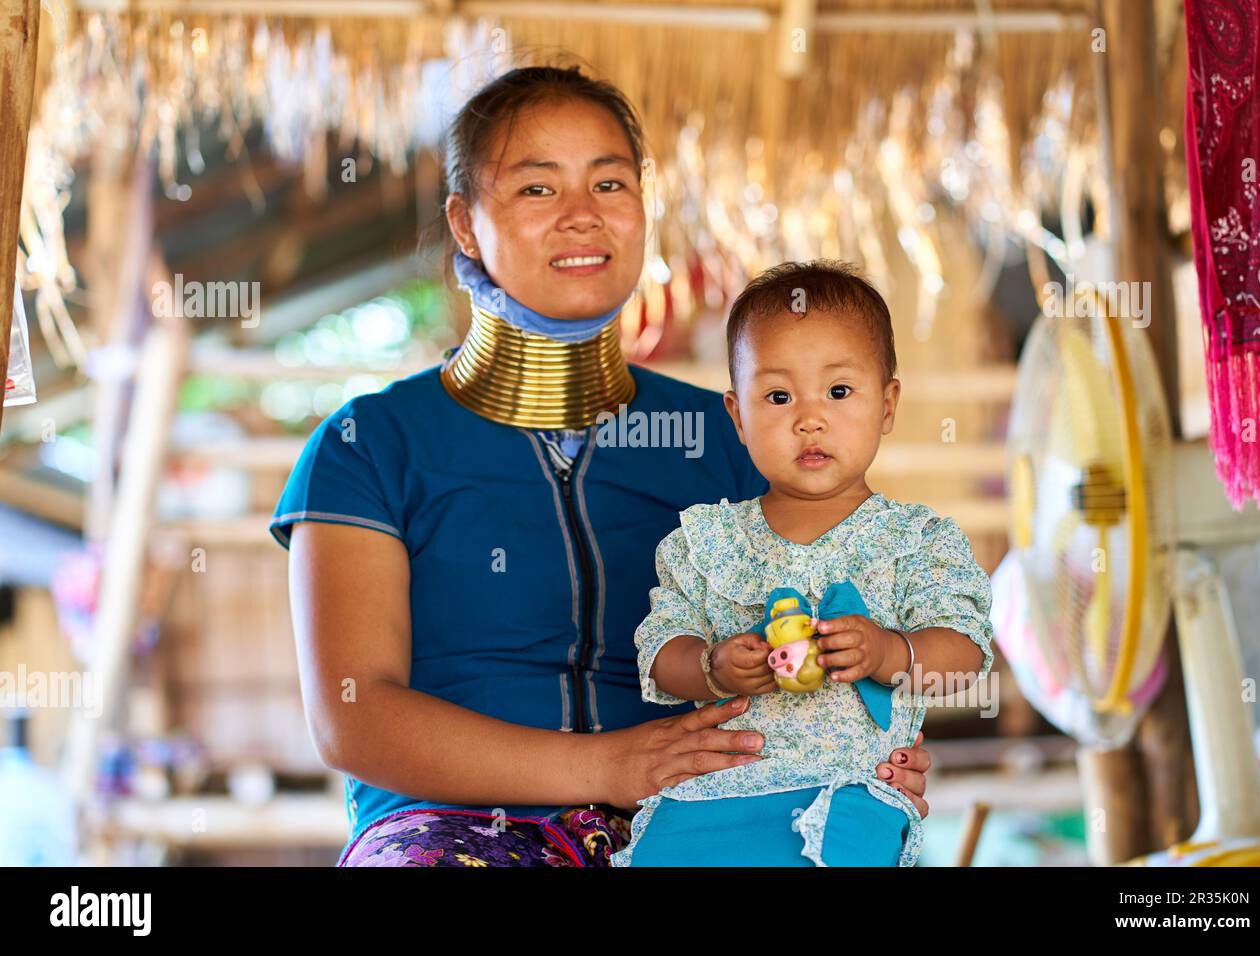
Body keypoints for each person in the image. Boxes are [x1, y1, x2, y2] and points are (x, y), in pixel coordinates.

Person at [270, 64, 934, 868]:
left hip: (702, 818)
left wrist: (871, 744)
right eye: (537, 190)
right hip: (454, 833)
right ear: (466, 222)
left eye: (610, 184)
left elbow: (820, 625)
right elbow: (354, 718)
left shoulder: (729, 434)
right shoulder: (368, 446)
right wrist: (607, 766)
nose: (583, 217)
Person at [612, 261, 994, 867]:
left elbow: (965, 652)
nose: (809, 417)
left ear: (887, 403)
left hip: (853, 787)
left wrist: (891, 653)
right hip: (717, 786)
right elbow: (661, 652)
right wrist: (713, 666)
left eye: (839, 392)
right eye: (778, 396)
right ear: (737, 417)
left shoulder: (917, 540)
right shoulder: (706, 541)